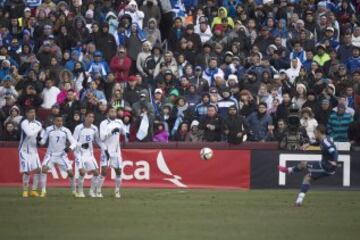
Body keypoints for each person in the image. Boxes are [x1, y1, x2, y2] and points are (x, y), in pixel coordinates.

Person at [278, 125, 338, 207]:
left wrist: (334, 161)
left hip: (326, 166)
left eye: (315, 132)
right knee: (307, 175)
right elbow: (318, 143)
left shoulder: (326, 142)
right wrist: (309, 144)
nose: (314, 133)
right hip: (325, 165)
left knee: (304, 168)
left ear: (318, 132)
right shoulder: (324, 139)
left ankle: (289, 170)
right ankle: (298, 202)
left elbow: (334, 151)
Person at [38, 115, 78, 197]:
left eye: (61, 121)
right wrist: (38, 139)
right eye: (58, 121)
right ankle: (43, 191)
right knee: (44, 169)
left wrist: (69, 148)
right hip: (50, 155)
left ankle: (74, 191)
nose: (59, 122)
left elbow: (74, 142)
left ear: (62, 122)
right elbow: (43, 142)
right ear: (54, 121)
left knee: (71, 173)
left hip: (62, 156)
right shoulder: (49, 129)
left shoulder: (66, 130)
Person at [73, 111, 105, 198]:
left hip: (89, 154)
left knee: (96, 173)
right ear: (85, 117)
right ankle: (80, 191)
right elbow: (74, 140)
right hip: (79, 153)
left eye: (92, 117)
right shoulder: (79, 128)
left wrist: (104, 148)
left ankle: (91, 191)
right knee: (82, 172)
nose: (91, 118)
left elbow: (98, 140)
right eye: (89, 116)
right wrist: (78, 146)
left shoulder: (94, 128)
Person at [98, 107, 125, 198]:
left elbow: (124, 132)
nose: (113, 113)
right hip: (106, 151)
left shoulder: (119, 122)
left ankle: (117, 191)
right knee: (104, 171)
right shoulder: (103, 123)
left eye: (115, 112)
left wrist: (125, 135)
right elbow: (102, 137)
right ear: (107, 114)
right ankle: (98, 190)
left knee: (118, 171)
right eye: (111, 111)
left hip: (116, 152)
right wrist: (111, 132)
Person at [18, 107, 43, 198]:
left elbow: (40, 136)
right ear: (27, 114)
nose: (33, 114)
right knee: (27, 171)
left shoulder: (38, 123)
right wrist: (39, 128)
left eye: (34, 112)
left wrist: (41, 139)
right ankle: (25, 190)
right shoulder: (24, 123)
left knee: (38, 170)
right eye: (31, 112)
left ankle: (33, 190)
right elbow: (29, 134)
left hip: (33, 150)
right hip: (24, 150)